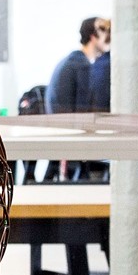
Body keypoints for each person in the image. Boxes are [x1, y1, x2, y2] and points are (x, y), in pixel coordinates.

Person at [47, 15, 111, 183]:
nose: (108, 36)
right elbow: (85, 113)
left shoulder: (72, 61)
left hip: (62, 138)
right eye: (103, 30)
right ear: (93, 36)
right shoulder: (80, 66)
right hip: (71, 143)